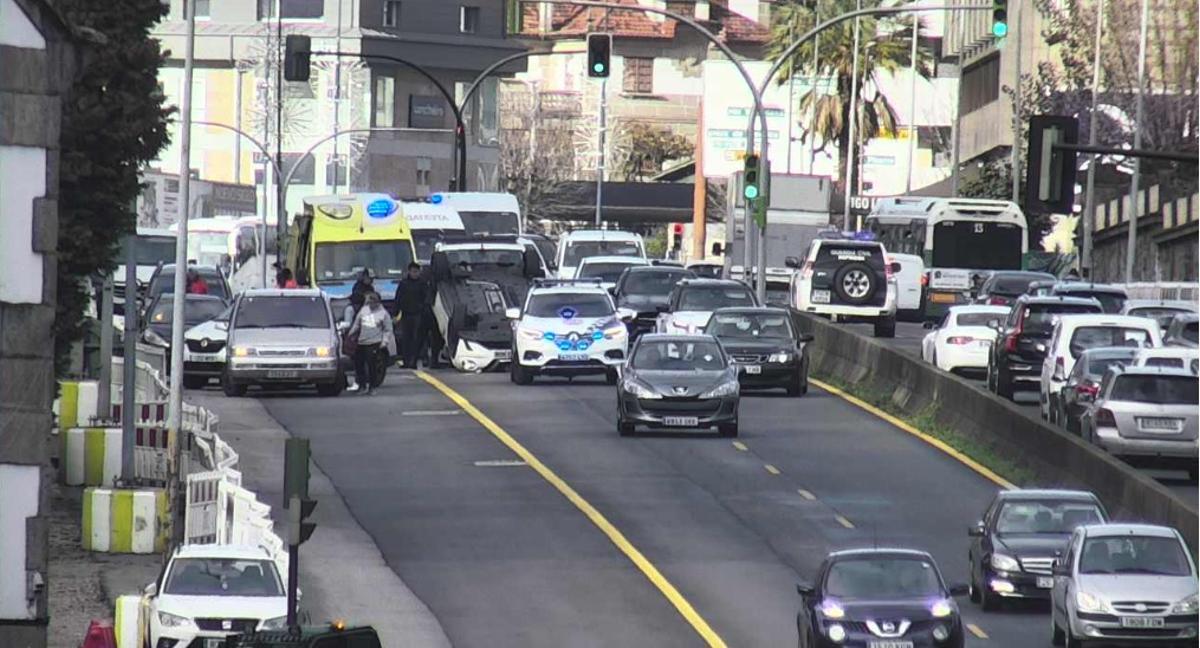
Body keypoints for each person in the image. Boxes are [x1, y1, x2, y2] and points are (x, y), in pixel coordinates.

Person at [347, 291, 392, 395]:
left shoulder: (383, 314)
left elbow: (388, 330)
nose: (370, 305)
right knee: (359, 365)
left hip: (374, 342)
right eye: (369, 302)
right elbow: (357, 324)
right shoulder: (364, 310)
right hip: (362, 342)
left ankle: (372, 387)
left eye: (372, 302)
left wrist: (384, 342)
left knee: (372, 366)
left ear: (377, 302)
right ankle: (362, 385)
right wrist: (351, 334)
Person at [394, 263, 427, 368]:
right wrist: (395, 312)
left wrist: (423, 309)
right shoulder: (404, 284)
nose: (415, 274)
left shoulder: (422, 283)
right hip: (406, 314)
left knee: (416, 339)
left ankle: (414, 361)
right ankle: (406, 361)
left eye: (417, 272)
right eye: (413, 272)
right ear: (409, 272)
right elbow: (398, 298)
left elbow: (426, 298)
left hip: (418, 314)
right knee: (406, 339)